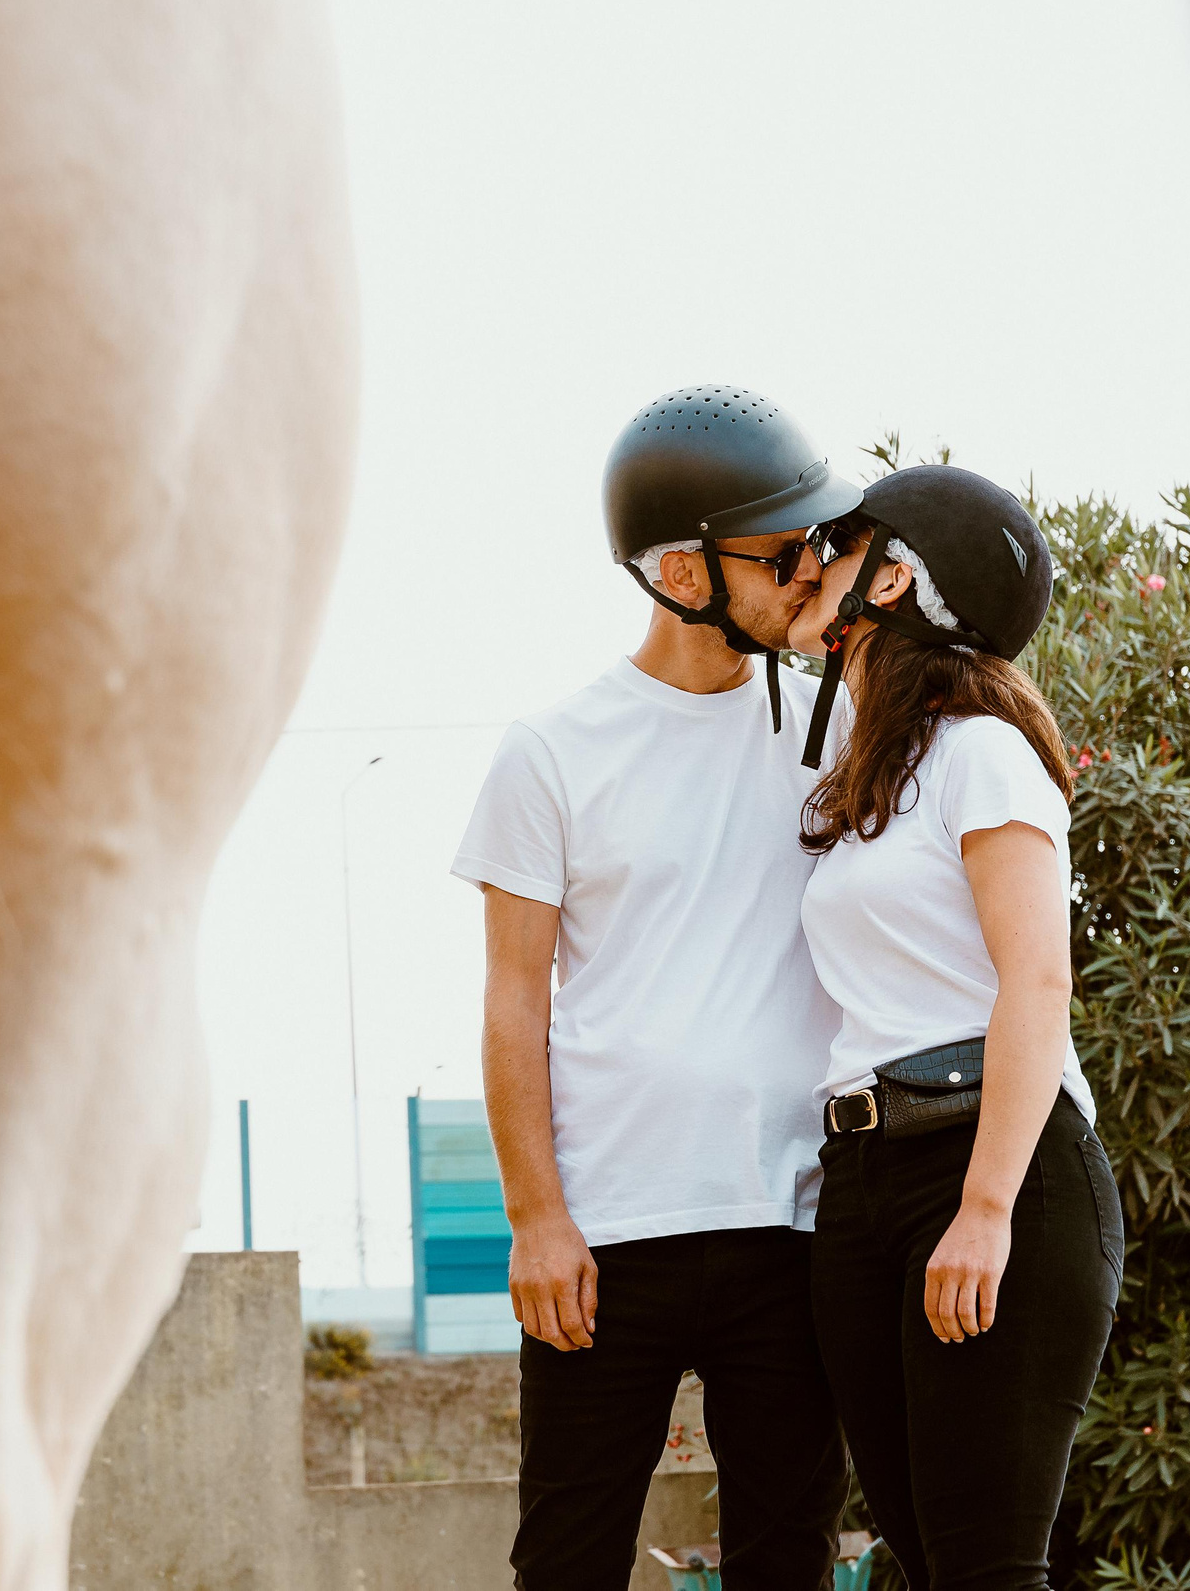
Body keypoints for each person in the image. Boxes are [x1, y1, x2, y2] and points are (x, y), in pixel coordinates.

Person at [452, 385, 860, 1591]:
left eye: (820, 547)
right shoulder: (551, 750)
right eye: (784, 553)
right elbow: (512, 999)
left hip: (790, 1224)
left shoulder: (833, 737)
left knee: (788, 1562)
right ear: (683, 573)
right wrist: (535, 1218)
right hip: (606, 1236)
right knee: (567, 1565)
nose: (810, 575)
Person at [787, 464, 1124, 1591]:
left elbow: (1036, 982)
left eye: (839, 546)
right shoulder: (874, 776)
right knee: (922, 1566)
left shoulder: (983, 754)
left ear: (895, 580)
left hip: (992, 1168)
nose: (816, 563)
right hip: (866, 1178)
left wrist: (984, 1212)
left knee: (983, 1569)